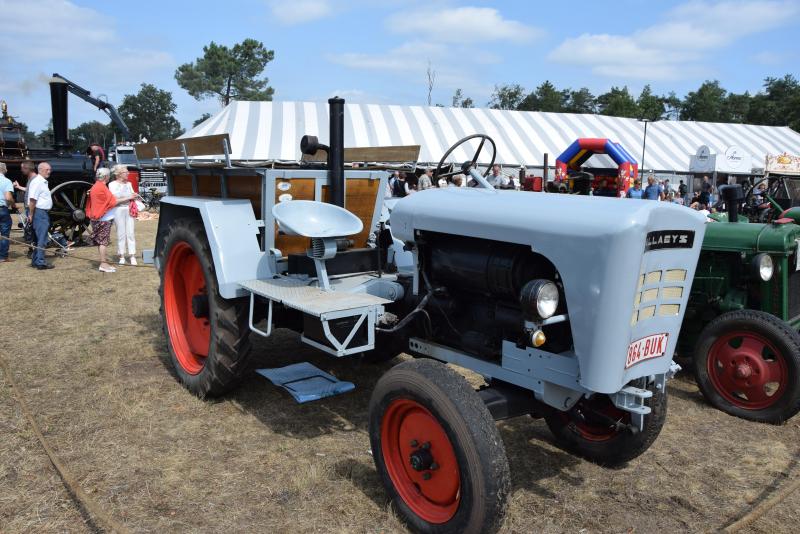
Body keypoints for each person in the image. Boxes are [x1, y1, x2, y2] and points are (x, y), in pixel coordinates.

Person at [87, 168, 133, 272]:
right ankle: (103, 264)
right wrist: (129, 197)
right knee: (103, 242)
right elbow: (113, 202)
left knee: (101, 241)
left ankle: (104, 263)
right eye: (108, 176)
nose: (109, 177)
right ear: (106, 177)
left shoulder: (96, 186)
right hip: (103, 218)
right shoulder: (102, 187)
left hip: (98, 217)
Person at [27, 162, 54, 270]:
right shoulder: (38, 182)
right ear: (40, 169)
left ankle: (35, 260)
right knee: (42, 238)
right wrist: (31, 214)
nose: (49, 171)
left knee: (38, 238)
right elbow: (33, 200)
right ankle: (40, 262)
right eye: (47, 169)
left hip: (40, 212)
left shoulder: (41, 182)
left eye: (50, 169)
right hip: (40, 212)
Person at [109, 164, 137, 265]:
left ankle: (132, 255)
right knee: (121, 233)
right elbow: (114, 200)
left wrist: (133, 196)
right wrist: (129, 197)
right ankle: (121, 255)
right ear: (119, 174)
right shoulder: (112, 184)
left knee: (130, 232)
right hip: (118, 210)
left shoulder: (129, 184)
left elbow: (132, 195)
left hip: (128, 208)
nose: (128, 173)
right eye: (126, 172)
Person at [0, 163, 14, 262]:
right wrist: (13, 204)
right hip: (2, 209)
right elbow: (8, 197)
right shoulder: (6, 181)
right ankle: (2, 256)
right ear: (4, 170)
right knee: (5, 234)